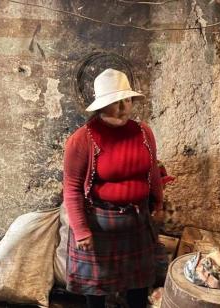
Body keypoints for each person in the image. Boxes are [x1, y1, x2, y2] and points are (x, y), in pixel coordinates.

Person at [63, 68, 164, 308]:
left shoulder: (143, 132)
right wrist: (81, 230)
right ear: (101, 105)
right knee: (96, 291)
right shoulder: (83, 138)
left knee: (138, 288)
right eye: (115, 102)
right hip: (99, 227)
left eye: (126, 100)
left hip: (136, 224)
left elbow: (153, 172)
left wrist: (158, 203)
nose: (123, 108)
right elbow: (72, 186)